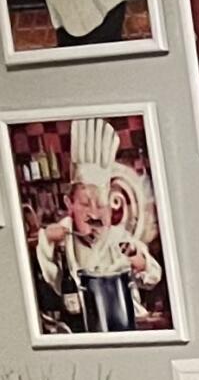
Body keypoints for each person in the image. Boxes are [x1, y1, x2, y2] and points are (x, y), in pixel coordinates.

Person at [28, 115, 163, 333]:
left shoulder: (119, 237)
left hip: (124, 320)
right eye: (84, 204)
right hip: (83, 326)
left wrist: (138, 261)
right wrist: (47, 240)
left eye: (101, 204)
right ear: (69, 204)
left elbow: (152, 275)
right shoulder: (65, 241)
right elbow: (52, 279)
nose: (94, 213)